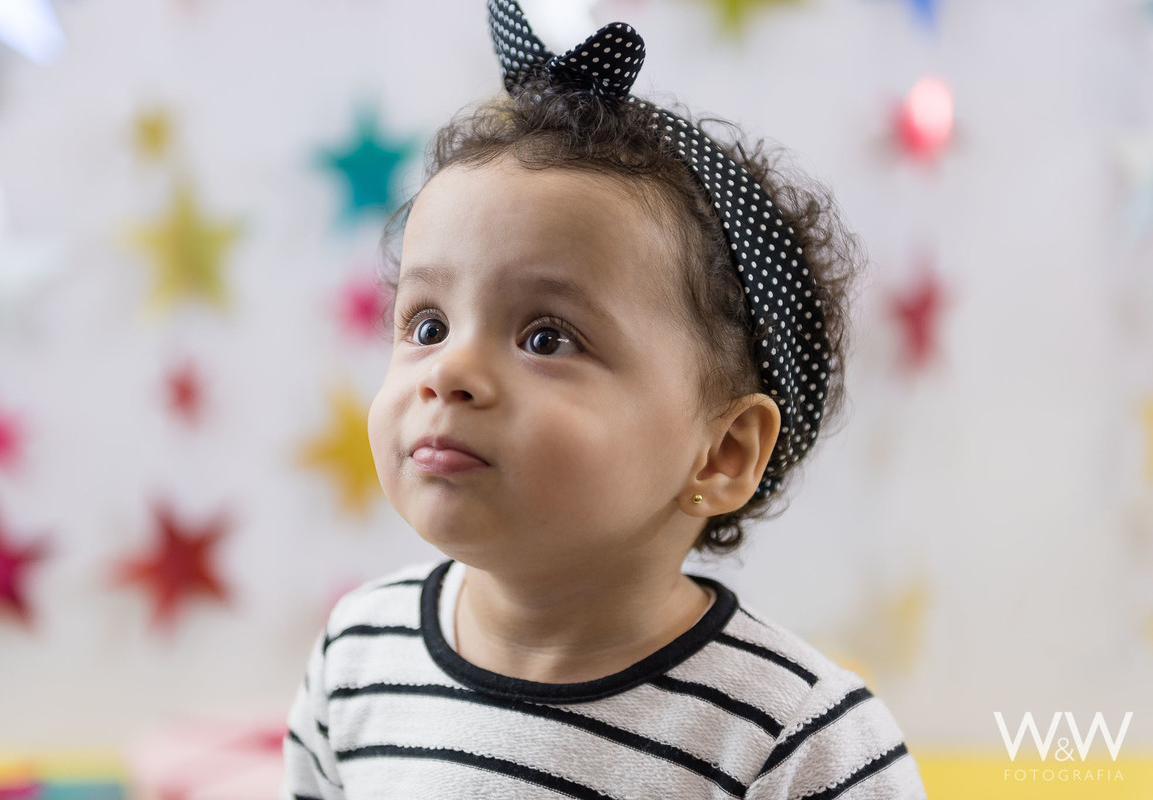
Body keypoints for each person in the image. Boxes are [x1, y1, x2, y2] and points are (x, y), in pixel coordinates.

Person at [281, 1, 928, 797]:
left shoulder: (793, 740)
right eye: (428, 322)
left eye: (546, 338)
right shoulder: (358, 658)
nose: (448, 373)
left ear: (722, 452)